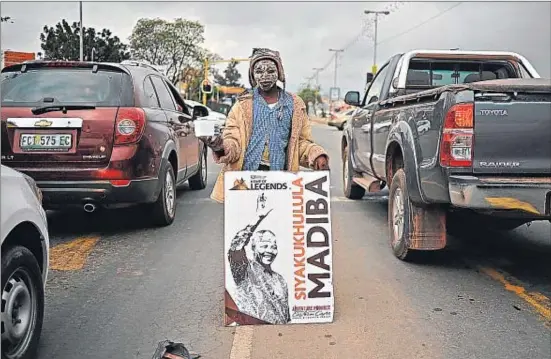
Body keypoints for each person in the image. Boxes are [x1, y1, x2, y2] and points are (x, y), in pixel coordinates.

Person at [199, 48, 329, 203]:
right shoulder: (242, 106)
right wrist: (221, 146)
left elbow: (300, 143)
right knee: (245, 225)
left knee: (277, 223)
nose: (265, 76)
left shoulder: (295, 105)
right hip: (245, 182)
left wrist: (316, 155)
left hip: (281, 182)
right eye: (259, 71)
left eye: (270, 70)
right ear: (252, 75)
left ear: (279, 73)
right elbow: (233, 141)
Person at [228, 224, 290, 324]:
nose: (270, 251)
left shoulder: (280, 279)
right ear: (253, 248)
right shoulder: (245, 269)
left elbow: (286, 318)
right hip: (252, 332)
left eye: (273, 247)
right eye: (264, 246)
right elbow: (235, 247)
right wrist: (258, 219)